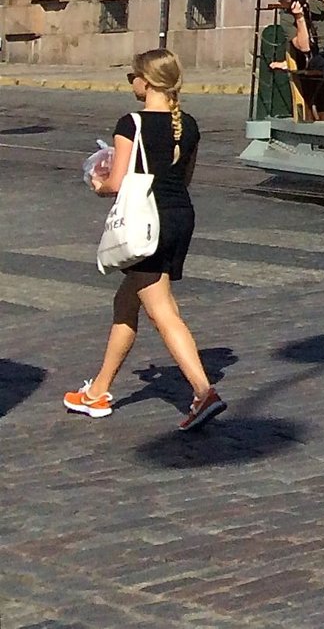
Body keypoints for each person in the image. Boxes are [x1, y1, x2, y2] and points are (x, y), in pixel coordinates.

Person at [62, 49, 226, 431]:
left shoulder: (131, 123)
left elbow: (116, 184)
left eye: (131, 76)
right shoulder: (189, 124)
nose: (130, 83)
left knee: (162, 310)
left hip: (147, 223)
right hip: (180, 215)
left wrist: (97, 182)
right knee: (126, 301)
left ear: (147, 82)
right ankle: (98, 391)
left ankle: (204, 392)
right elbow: (183, 179)